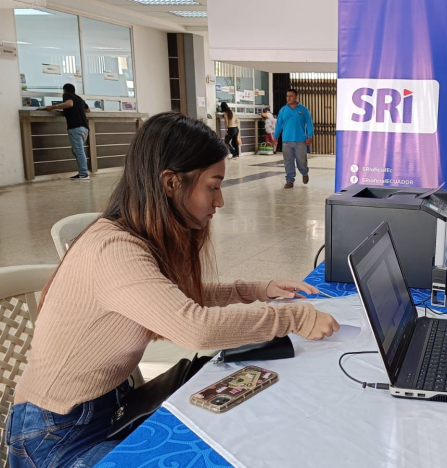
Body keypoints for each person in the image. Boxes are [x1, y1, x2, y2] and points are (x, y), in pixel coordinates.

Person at [5, 112, 340, 468]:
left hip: (111, 408)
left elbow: (175, 296)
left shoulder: (135, 235)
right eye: (212, 186)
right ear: (171, 183)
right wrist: (292, 318)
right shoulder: (113, 249)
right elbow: (195, 328)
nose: (220, 201)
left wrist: (259, 289)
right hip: (55, 436)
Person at [43, 83, 91, 180]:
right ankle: (83, 172)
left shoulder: (67, 95)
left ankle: (83, 174)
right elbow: (88, 110)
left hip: (75, 127)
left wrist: (53, 107)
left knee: (79, 151)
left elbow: (69, 104)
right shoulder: (79, 98)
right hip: (84, 128)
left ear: (65, 90)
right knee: (75, 151)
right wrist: (77, 111)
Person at [273, 89, 314, 188]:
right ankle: (289, 180)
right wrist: (275, 136)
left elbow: (309, 123)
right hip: (286, 140)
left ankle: (304, 173)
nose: (288, 98)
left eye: (291, 96)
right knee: (288, 161)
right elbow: (279, 124)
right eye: (287, 96)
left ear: (296, 97)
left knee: (301, 160)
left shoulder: (303, 110)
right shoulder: (283, 110)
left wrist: (310, 136)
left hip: (300, 140)